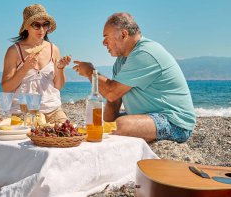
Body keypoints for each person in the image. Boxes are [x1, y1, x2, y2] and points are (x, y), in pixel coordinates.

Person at [73, 13, 196, 143]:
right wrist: (102, 127)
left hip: (175, 122)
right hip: (150, 116)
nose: (103, 42)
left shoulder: (145, 53)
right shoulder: (121, 61)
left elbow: (111, 92)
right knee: (109, 126)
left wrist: (90, 71)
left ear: (123, 35)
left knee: (121, 125)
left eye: (106, 37)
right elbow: (114, 100)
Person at [1, 4, 71, 124]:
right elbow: (6, 87)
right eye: (36, 25)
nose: (42, 29)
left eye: (45, 25)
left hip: (53, 110)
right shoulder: (14, 51)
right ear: (27, 26)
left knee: (67, 136)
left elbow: (58, 86)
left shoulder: (54, 49)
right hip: (23, 111)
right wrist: (25, 68)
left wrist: (60, 68)